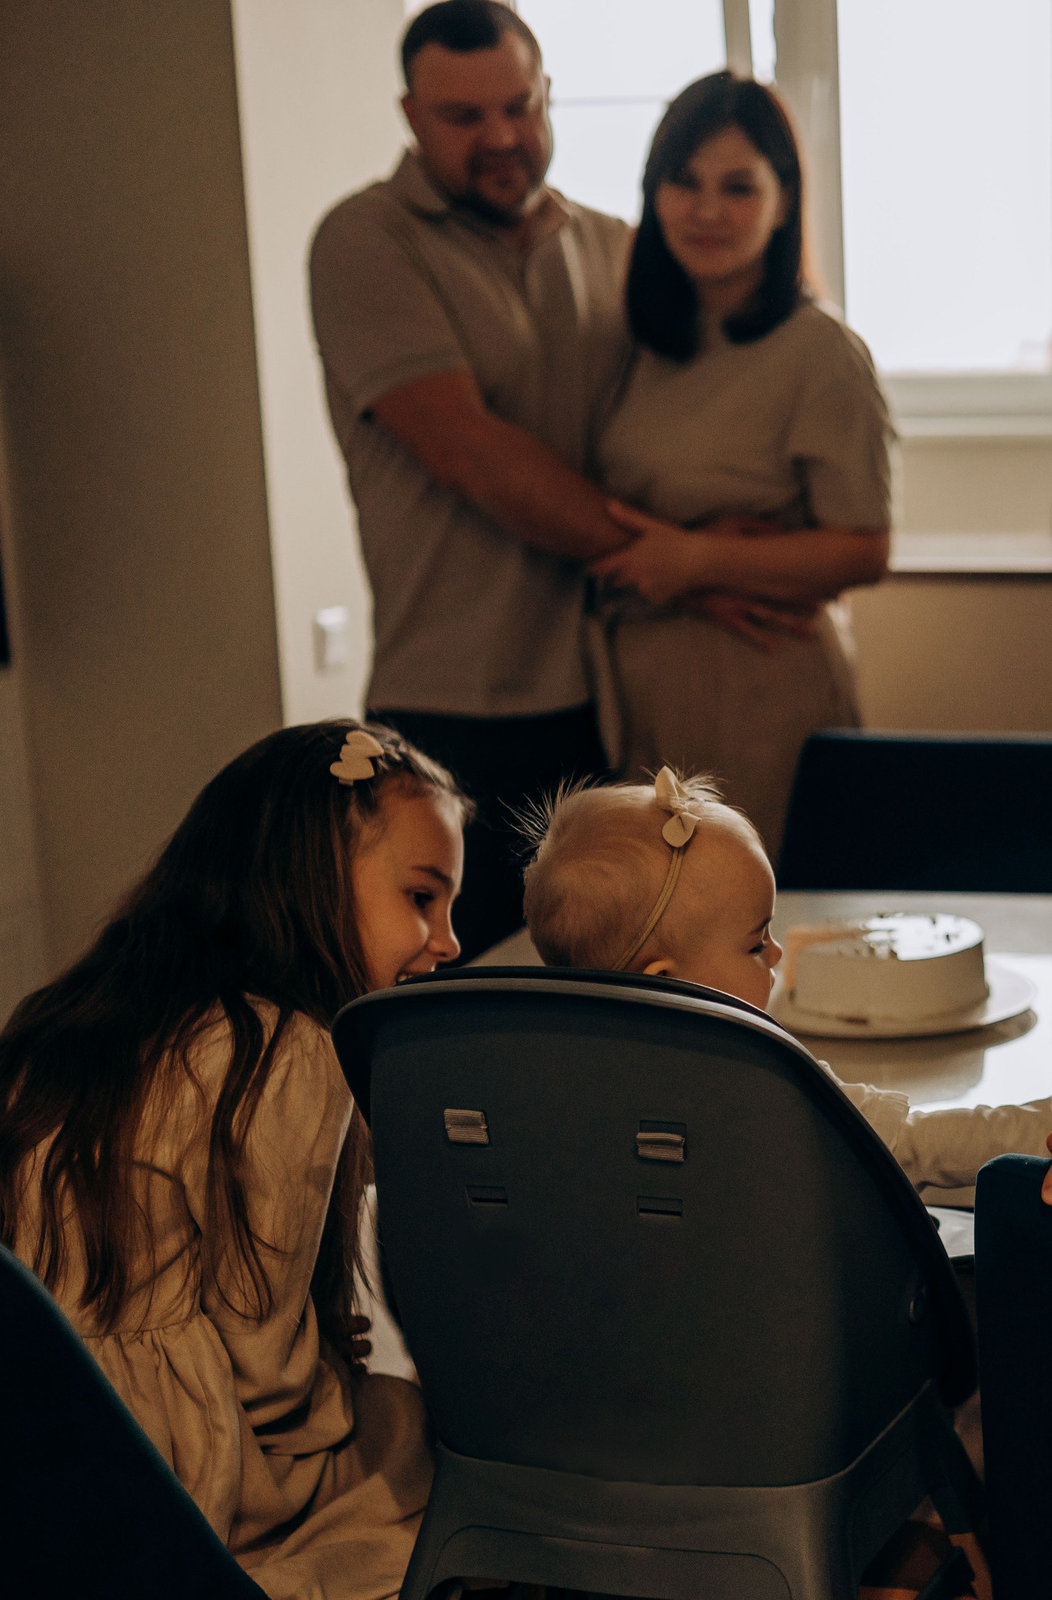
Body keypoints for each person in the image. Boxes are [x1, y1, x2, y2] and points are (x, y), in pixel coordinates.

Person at [0, 722, 467, 1600]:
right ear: (308, 876)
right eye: (424, 897)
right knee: (440, 1454)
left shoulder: (87, 1021)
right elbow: (268, 1379)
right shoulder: (286, 1046)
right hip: (150, 1468)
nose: (448, 940)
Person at [309, 5, 807, 958]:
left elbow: (744, 353)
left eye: (519, 106)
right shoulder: (366, 241)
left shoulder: (614, 246)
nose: (500, 137)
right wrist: (692, 561)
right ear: (411, 115)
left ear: (548, 97)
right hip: (454, 705)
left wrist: (760, 545)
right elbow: (475, 458)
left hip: (607, 694)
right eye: (463, 118)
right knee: (464, 996)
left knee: (617, 998)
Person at [519, 770, 1052, 1213]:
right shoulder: (777, 1092)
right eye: (754, 940)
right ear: (667, 984)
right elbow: (930, 1143)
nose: (774, 954)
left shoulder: (543, 1095)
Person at [583, 74, 896, 857]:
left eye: (738, 186)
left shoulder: (819, 351)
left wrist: (695, 560)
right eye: (683, 182)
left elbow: (865, 547)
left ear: (784, 201)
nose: (708, 210)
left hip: (763, 690)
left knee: (754, 937)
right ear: (653, 194)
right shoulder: (636, 344)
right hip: (639, 688)